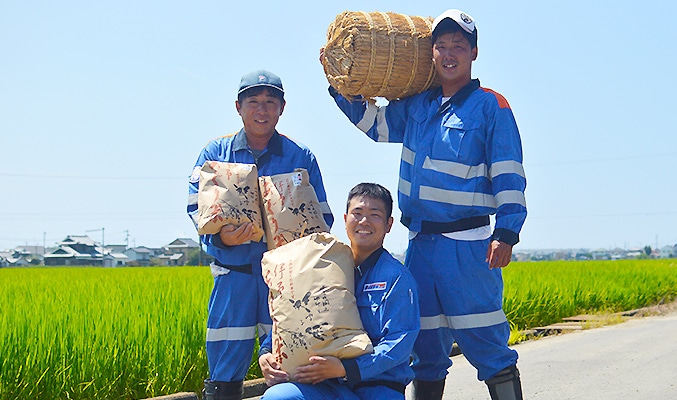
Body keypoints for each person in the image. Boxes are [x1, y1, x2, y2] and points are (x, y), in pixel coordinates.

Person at [322, 9, 527, 400]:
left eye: (458, 47)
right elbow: (377, 125)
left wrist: (507, 231)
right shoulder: (418, 104)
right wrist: (338, 85)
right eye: (442, 46)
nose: (449, 54)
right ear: (431, 52)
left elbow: (508, 172)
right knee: (426, 348)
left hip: (467, 247)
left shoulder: (491, 106)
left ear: (474, 53)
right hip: (420, 247)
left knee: (486, 341)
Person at [187, 69, 334, 400]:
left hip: (285, 283)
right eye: (253, 102)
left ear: (282, 108)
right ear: (238, 107)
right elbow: (195, 209)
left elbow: (323, 216)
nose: (262, 110)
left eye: (270, 102)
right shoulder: (215, 154)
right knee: (224, 368)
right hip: (232, 277)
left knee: (286, 368)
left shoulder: (300, 157)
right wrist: (223, 238)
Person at [258, 183, 421, 400]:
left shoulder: (397, 278)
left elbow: (400, 342)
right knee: (277, 397)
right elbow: (293, 318)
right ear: (345, 220)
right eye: (358, 213)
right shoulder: (321, 267)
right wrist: (266, 353)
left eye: (375, 215)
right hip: (328, 386)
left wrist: (347, 368)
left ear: (389, 224)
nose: (364, 221)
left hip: (378, 387)